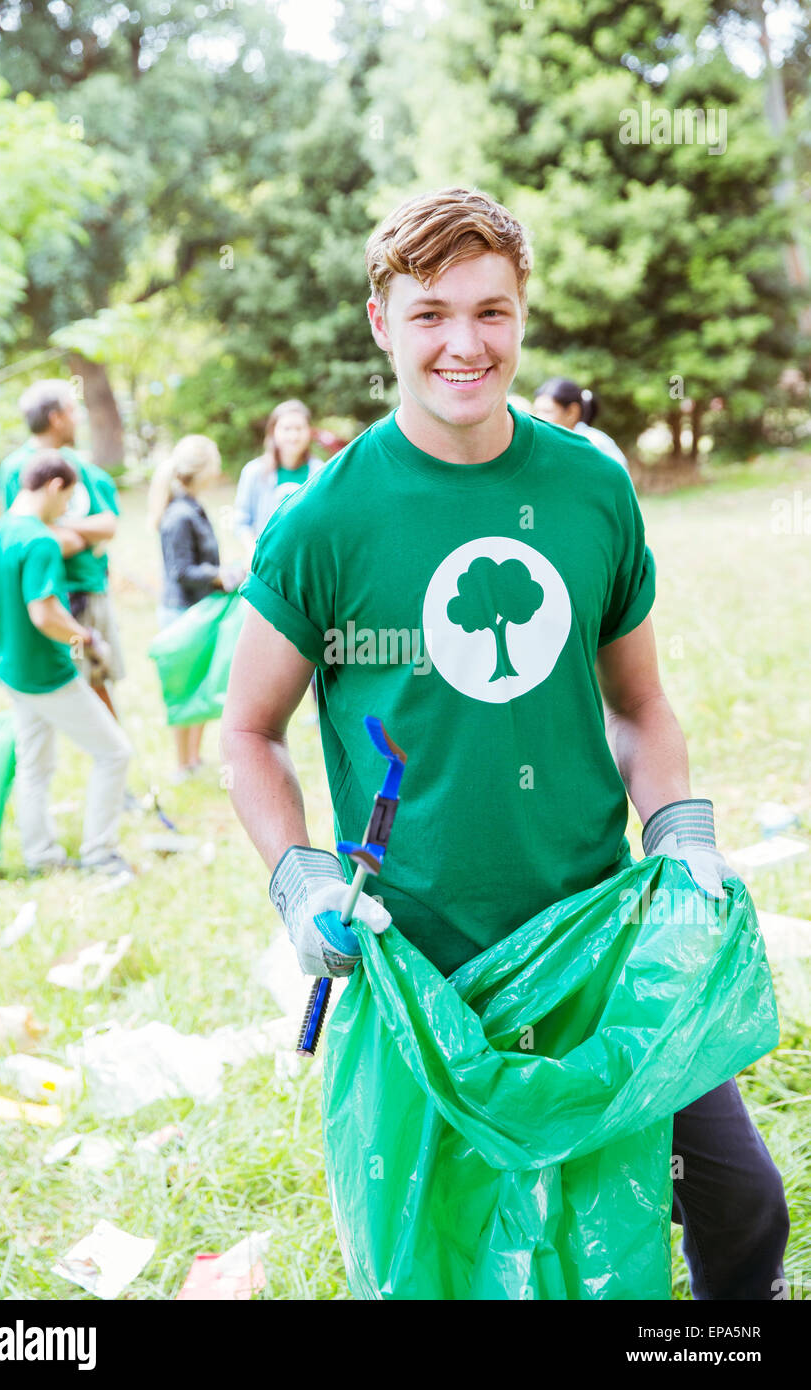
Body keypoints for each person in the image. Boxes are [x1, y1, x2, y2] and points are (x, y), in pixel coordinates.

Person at [219, 186, 788, 1301]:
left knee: (741, 1201)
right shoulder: (323, 522)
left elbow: (637, 704)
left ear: (523, 312)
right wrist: (298, 882)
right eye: (430, 313)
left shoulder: (590, 489)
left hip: (596, 945)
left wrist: (678, 837)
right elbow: (245, 731)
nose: (464, 344)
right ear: (380, 321)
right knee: (453, 1252)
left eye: (491, 312)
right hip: (423, 967)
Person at [0, 451, 132, 876]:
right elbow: (44, 614)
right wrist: (84, 637)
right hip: (47, 674)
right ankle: (100, 853)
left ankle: (41, 856)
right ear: (54, 487)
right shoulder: (41, 541)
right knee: (115, 753)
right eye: (67, 501)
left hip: (14, 669)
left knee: (35, 766)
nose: (66, 512)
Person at [0, 380, 126, 719]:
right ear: (56, 418)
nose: (79, 418)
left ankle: (114, 753)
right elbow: (30, 542)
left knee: (99, 675)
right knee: (61, 686)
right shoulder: (17, 468)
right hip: (55, 596)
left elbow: (108, 525)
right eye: (73, 410)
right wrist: (84, 537)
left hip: (91, 586)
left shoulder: (74, 463)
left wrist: (65, 530)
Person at [148, 434, 241, 778]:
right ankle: (181, 762)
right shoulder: (179, 515)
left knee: (200, 683)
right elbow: (181, 571)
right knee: (182, 687)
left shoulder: (193, 507)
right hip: (182, 613)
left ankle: (194, 759)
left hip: (201, 611)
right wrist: (221, 575)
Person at [232, 400, 325, 564]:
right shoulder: (254, 472)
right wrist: (255, 551)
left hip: (306, 565)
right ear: (273, 432)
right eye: (286, 429)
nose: (293, 436)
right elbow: (241, 520)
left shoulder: (321, 472)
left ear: (309, 431)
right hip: (265, 565)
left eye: (299, 429)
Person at [533, 377, 630, 471]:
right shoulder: (549, 444)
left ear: (572, 412)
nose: (538, 417)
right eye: (537, 411)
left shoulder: (594, 443)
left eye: (547, 411)